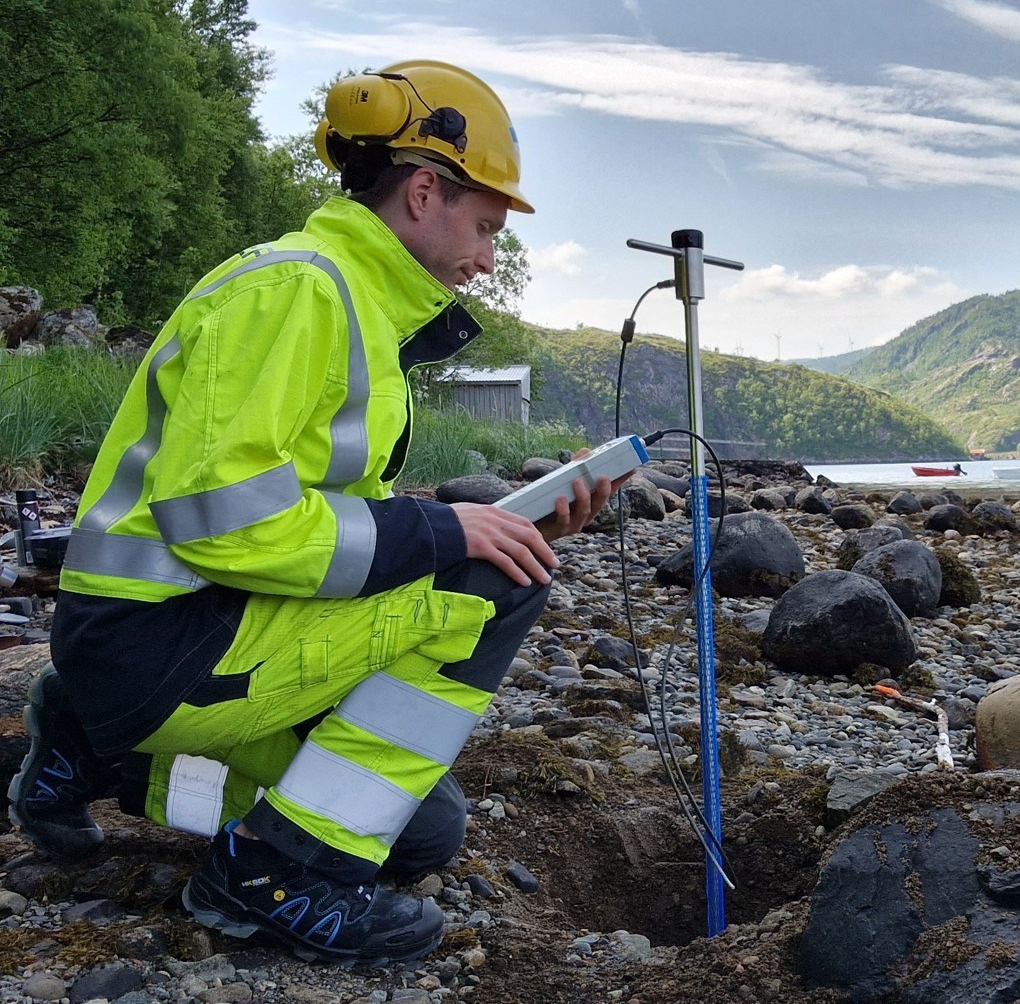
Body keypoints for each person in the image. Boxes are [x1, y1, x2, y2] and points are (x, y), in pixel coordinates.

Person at [6, 61, 617, 966]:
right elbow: (222, 518)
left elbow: (318, 524)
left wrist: (515, 524)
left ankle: (98, 754)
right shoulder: (298, 293)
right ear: (421, 192)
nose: (489, 257)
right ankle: (267, 875)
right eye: (486, 227)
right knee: (492, 584)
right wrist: (451, 535)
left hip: (194, 638)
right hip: (162, 644)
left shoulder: (351, 302)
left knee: (420, 835)